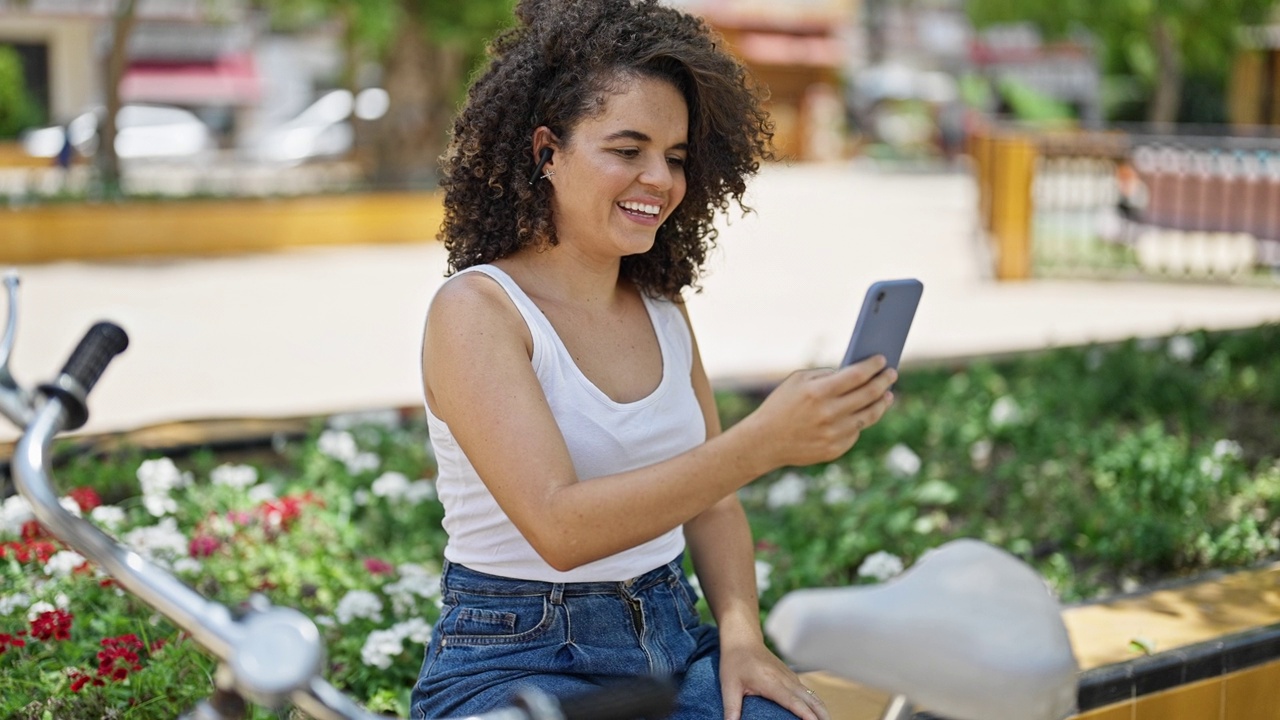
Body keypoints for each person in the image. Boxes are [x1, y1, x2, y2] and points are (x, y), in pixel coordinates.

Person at [411, 2, 896, 719]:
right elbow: (560, 529)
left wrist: (741, 639)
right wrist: (761, 443)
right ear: (547, 151)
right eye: (627, 150)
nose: (660, 181)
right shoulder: (478, 312)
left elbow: (715, 505)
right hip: (515, 660)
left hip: (674, 641)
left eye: (674, 157)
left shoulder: (662, 307)